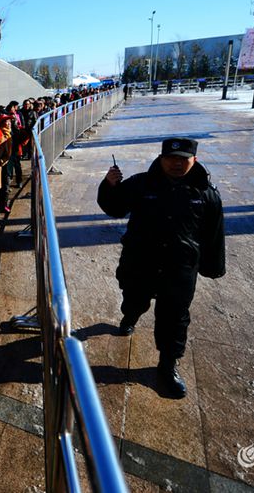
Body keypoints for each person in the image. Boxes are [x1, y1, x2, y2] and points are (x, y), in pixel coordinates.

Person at [97, 138, 225, 398]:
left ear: (195, 160)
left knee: (175, 317)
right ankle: (130, 316)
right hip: (140, 261)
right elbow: (114, 207)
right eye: (171, 158)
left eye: (183, 159)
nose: (176, 164)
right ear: (161, 158)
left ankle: (168, 365)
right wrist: (109, 185)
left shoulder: (206, 193)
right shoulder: (141, 184)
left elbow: (214, 233)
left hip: (180, 268)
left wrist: (213, 266)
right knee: (134, 299)